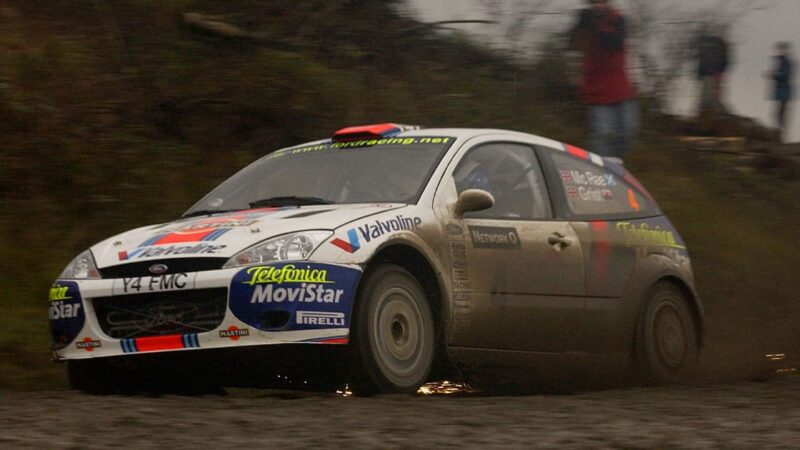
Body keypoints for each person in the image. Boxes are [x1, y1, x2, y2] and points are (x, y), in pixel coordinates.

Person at [569, 0, 638, 160]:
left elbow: (614, 43)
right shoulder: (585, 19)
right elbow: (573, 43)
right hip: (596, 89)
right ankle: (600, 168)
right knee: (602, 133)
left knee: (628, 131)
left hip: (620, 87)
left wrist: (597, 26)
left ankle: (615, 165)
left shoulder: (618, 19)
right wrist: (585, 22)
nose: (599, 6)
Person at [696, 25, 731, 114]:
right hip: (713, 71)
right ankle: (710, 109)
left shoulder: (705, 42)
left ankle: (707, 109)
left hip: (709, 71)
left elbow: (701, 58)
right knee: (713, 91)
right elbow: (725, 59)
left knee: (710, 91)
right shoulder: (719, 43)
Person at [766, 42, 794, 142]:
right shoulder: (781, 61)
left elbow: (785, 75)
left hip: (784, 91)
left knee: (781, 113)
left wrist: (773, 75)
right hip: (781, 90)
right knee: (778, 113)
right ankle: (779, 133)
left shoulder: (786, 62)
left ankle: (780, 134)